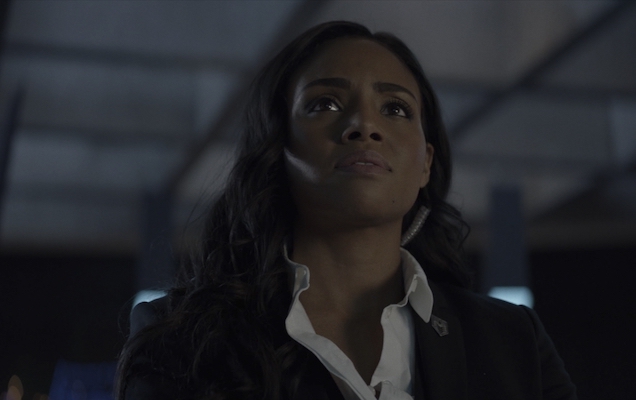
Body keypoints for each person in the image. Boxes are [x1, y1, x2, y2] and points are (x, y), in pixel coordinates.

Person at [116, 21, 577, 400]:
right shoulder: (182, 336)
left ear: (425, 163)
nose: (364, 125)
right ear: (278, 148)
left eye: (395, 109)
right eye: (326, 103)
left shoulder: (513, 341)